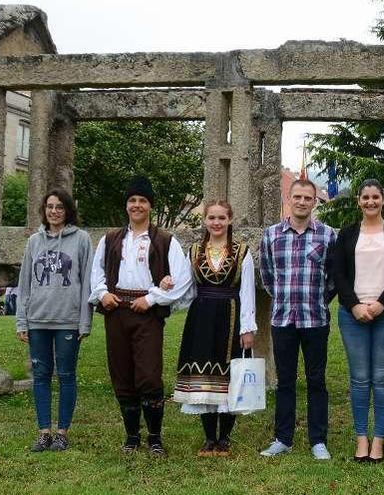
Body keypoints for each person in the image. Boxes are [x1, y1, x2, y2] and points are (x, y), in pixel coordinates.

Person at [89, 176, 193, 456]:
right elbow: (96, 272)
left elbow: (183, 280)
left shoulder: (165, 240)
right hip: (116, 311)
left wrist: (152, 298)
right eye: (133, 200)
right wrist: (102, 294)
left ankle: (155, 437)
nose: (137, 205)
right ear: (126, 206)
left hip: (147, 314)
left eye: (142, 201)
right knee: (122, 374)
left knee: (148, 375)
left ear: (150, 206)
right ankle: (132, 436)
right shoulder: (110, 239)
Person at [334, 178, 384, 463]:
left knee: (382, 378)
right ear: (358, 200)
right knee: (359, 379)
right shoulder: (347, 234)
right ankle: (361, 438)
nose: (370, 202)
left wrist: (380, 304)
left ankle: (378, 439)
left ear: (383, 200)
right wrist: (354, 305)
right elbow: (338, 273)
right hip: (352, 315)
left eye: (375, 197)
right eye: (365, 197)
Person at [171, 201, 257, 457]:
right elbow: (185, 288)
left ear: (230, 220)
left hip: (231, 315)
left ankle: (225, 438)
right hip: (201, 318)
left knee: (229, 377)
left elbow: (248, 291)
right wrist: (165, 289)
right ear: (205, 221)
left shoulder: (243, 252)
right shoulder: (195, 251)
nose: (216, 222)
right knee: (204, 379)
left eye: (221, 217)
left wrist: (248, 327)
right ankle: (209, 439)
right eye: (212, 217)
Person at [258, 179, 336, 460]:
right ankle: (283, 438)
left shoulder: (328, 236)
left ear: (315, 202)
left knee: (317, 381)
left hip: (315, 319)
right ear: (288, 199)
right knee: (285, 381)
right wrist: (283, 298)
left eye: (308, 198)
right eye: (297, 197)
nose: (302, 202)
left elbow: (333, 278)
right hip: (282, 319)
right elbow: (267, 276)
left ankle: (318, 440)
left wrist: (317, 300)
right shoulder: (271, 235)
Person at [16, 189, 93, 452]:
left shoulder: (81, 240)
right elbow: (24, 283)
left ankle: (62, 432)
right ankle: (44, 431)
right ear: (44, 210)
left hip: (68, 320)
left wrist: (85, 322)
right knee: (40, 375)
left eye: (60, 207)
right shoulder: (34, 242)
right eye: (50, 206)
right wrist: (21, 321)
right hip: (37, 319)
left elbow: (86, 284)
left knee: (67, 375)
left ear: (68, 210)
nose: (54, 211)